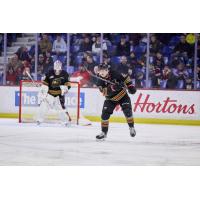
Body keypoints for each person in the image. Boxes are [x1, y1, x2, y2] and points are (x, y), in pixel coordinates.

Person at [95, 63, 137, 140]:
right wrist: (113, 87)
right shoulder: (99, 81)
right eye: (100, 71)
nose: (102, 72)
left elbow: (126, 78)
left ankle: (131, 128)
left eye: (104, 70)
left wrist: (130, 86)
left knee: (127, 111)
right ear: (98, 72)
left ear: (108, 70)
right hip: (110, 99)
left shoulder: (115, 73)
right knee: (104, 115)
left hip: (123, 96)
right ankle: (104, 133)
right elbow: (104, 92)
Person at [37, 60, 71, 126]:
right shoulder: (49, 72)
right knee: (43, 106)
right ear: (54, 66)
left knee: (60, 109)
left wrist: (66, 89)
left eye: (59, 65)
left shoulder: (65, 74)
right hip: (50, 94)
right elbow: (45, 84)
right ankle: (39, 120)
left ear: (61, 66)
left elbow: (68, 85)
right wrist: (43, 93)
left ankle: (65, 122)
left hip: (59, 95)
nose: (57, 67)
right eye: (56, 65)